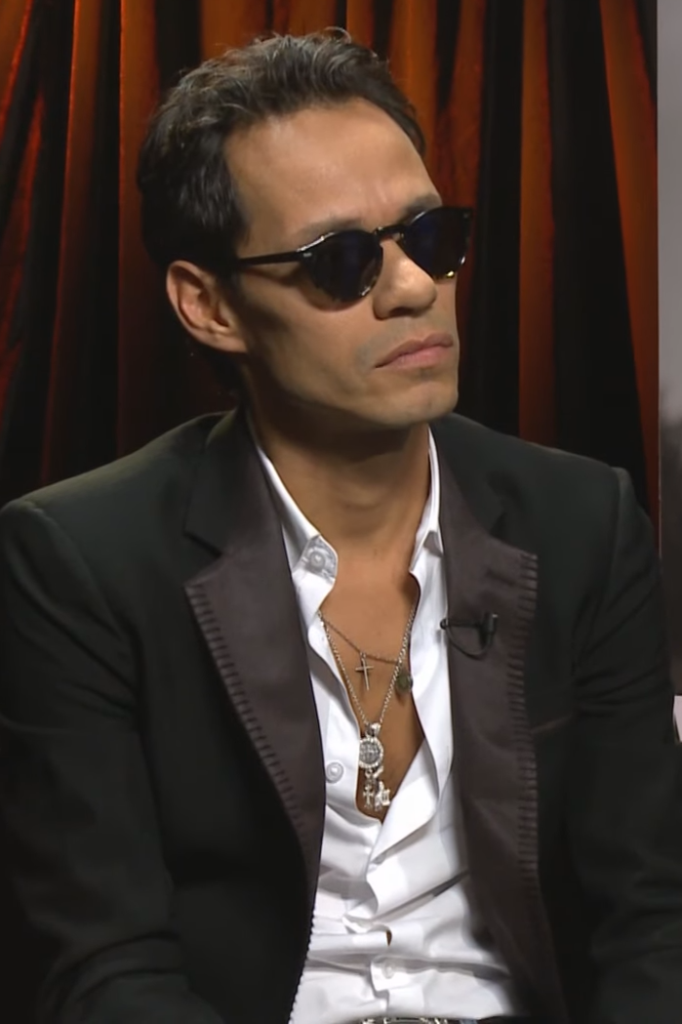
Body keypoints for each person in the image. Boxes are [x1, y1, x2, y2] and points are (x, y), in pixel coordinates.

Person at [0, 28, 681, 1024]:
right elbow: (103, 967)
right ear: (209, 305)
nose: (414, 288)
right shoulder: (77, 560)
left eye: (430, 238)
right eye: (342, 262)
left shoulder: (584, 523)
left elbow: (651, 921)